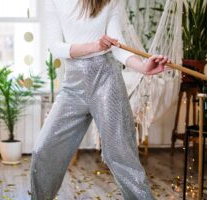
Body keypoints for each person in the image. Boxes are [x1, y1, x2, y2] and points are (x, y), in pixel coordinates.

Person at [31, 0, 169, 199]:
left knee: (121, 156)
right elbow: (56, 47)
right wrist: (94, 46)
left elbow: (117, 45)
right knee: (43, 151)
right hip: (73, 84)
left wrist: (143, 67)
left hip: (107, 81)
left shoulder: (110, 1)